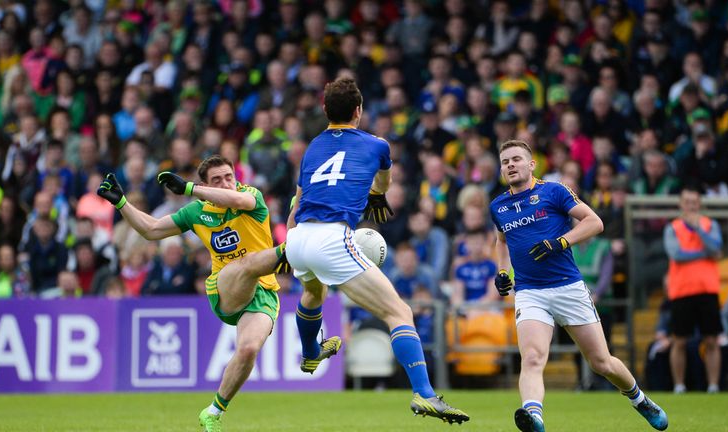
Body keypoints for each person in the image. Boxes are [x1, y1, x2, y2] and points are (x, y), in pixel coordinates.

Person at [283, 77, 468, 424]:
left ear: (325, 110)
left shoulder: (311, 146)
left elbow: (297, 200)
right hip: (332, 237)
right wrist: (378, 195)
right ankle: (425, 395)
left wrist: (290, 242)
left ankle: (310, 353)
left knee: (314, 291)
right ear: (359, 111)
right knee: (399, 312)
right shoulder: (378, 145)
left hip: (298, 236)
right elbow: (383, 183)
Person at [96, 155, 288, 432]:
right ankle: (289, 251)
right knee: (246, 266)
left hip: (264, 293)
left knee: (247, 350)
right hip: (224, 288)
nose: (226, 184)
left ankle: (213, 412)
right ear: (205, 185)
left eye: (229, 177)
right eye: (217, 180)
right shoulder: (196, 212)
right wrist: (121, 203)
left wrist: (187, 188)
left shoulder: (251, 196)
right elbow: (150, 230)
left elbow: (237, 201)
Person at [490, 140, 667, 432]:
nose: (510, 165)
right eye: (505, 161)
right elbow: (501, 240)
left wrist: (560, 242)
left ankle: (639, 399)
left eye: (516, 159)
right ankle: (534, 416)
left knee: (602, 362)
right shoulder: (498, 205)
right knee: (532, 358)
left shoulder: (553, 191)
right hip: (530, 292)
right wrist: (501, 271)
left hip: (567, 287)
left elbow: (594, 222)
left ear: (531, 164)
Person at [663, 185, 723, 394]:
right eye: (687, 202)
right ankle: (679, 385)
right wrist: (705, 254)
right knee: (679, 341)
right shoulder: (672, 228)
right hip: (681, 291)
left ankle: (713, 385)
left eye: (694, 202)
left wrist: (698, 230)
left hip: (707, 290)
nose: (691, 206)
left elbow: (716, 248)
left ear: (699, 204)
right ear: (681, 204)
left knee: (711, 340)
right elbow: (676, 255)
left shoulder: (709, 225)